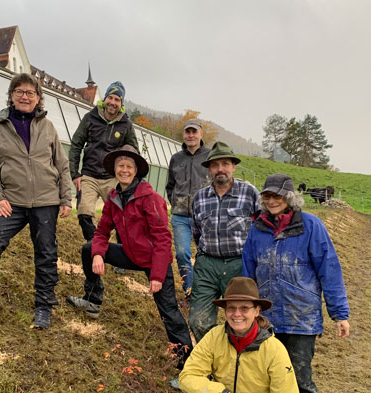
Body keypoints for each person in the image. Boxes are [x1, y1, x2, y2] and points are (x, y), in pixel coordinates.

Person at [242, 173, 350, 393]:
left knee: (300, 382)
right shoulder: (258, 229)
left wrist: (339, 314)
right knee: (267, 379)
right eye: (267, 195)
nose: (272, 200)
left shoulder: (311, 226)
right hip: (267, 319)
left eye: (277, 195)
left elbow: (329, 269)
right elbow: (247, 271)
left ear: (290, 197)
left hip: (301, 319)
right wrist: (244, 311)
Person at [66, 145, 193, 368]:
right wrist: (98, 254)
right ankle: (93, 300)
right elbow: (103, 231)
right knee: (88, 249)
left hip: (154, 260)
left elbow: (163, 240)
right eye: (120, 166)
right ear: (115, 170)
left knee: (168, 310)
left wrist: (157, 275)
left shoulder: (150, 198)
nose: (124, 170)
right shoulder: (114, 197)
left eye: (129, 166)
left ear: (136, 171)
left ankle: (187, 364)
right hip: (129, 254)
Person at [0, 73, 72, 329]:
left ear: (38, 98)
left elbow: (62, 164)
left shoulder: (48, 127)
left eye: (30, 93)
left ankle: (44, 306)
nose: (25, 96)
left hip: (46, 201)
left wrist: (66, 197)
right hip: (10, 202)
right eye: (19, 92)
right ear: (11, 96)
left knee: (46, 252)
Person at [188, 141, 259, 342]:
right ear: (209, 169)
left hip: (238, 263)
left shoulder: (249, 193)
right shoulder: (200, 198)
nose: (221, 169)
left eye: (225, 164)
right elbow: (196, 232)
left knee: (241, 319)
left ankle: (237, 357)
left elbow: (262, 227)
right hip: (207, 264)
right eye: (215, 165)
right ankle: (214, 356)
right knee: (198, 320)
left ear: (233, 167)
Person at [69, 81, 139, 242]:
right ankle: (97, 247)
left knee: (121, 215)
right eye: (111, 97)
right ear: (105, 99)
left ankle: (122, 252)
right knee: (84, 213)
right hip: (89, 175)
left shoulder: (126, 125)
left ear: (121, 104)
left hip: (112, 177)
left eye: (117, 100)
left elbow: (134, 151)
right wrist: (75, 174)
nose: (113, 102)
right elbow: (76, 145)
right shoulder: (90, 118)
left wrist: (129, 178)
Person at [165, 118, 211, 299]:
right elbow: (170, 185)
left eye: (194, 132)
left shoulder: (210, 157)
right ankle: (190, 292)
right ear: (183, 135)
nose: (191, 135)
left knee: (205, 254)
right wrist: (176, 203)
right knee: (183, 253)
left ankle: (204, 291)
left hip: (205, 216)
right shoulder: (176, 159)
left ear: (201, 134)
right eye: (187, 132)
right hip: (180, 216)